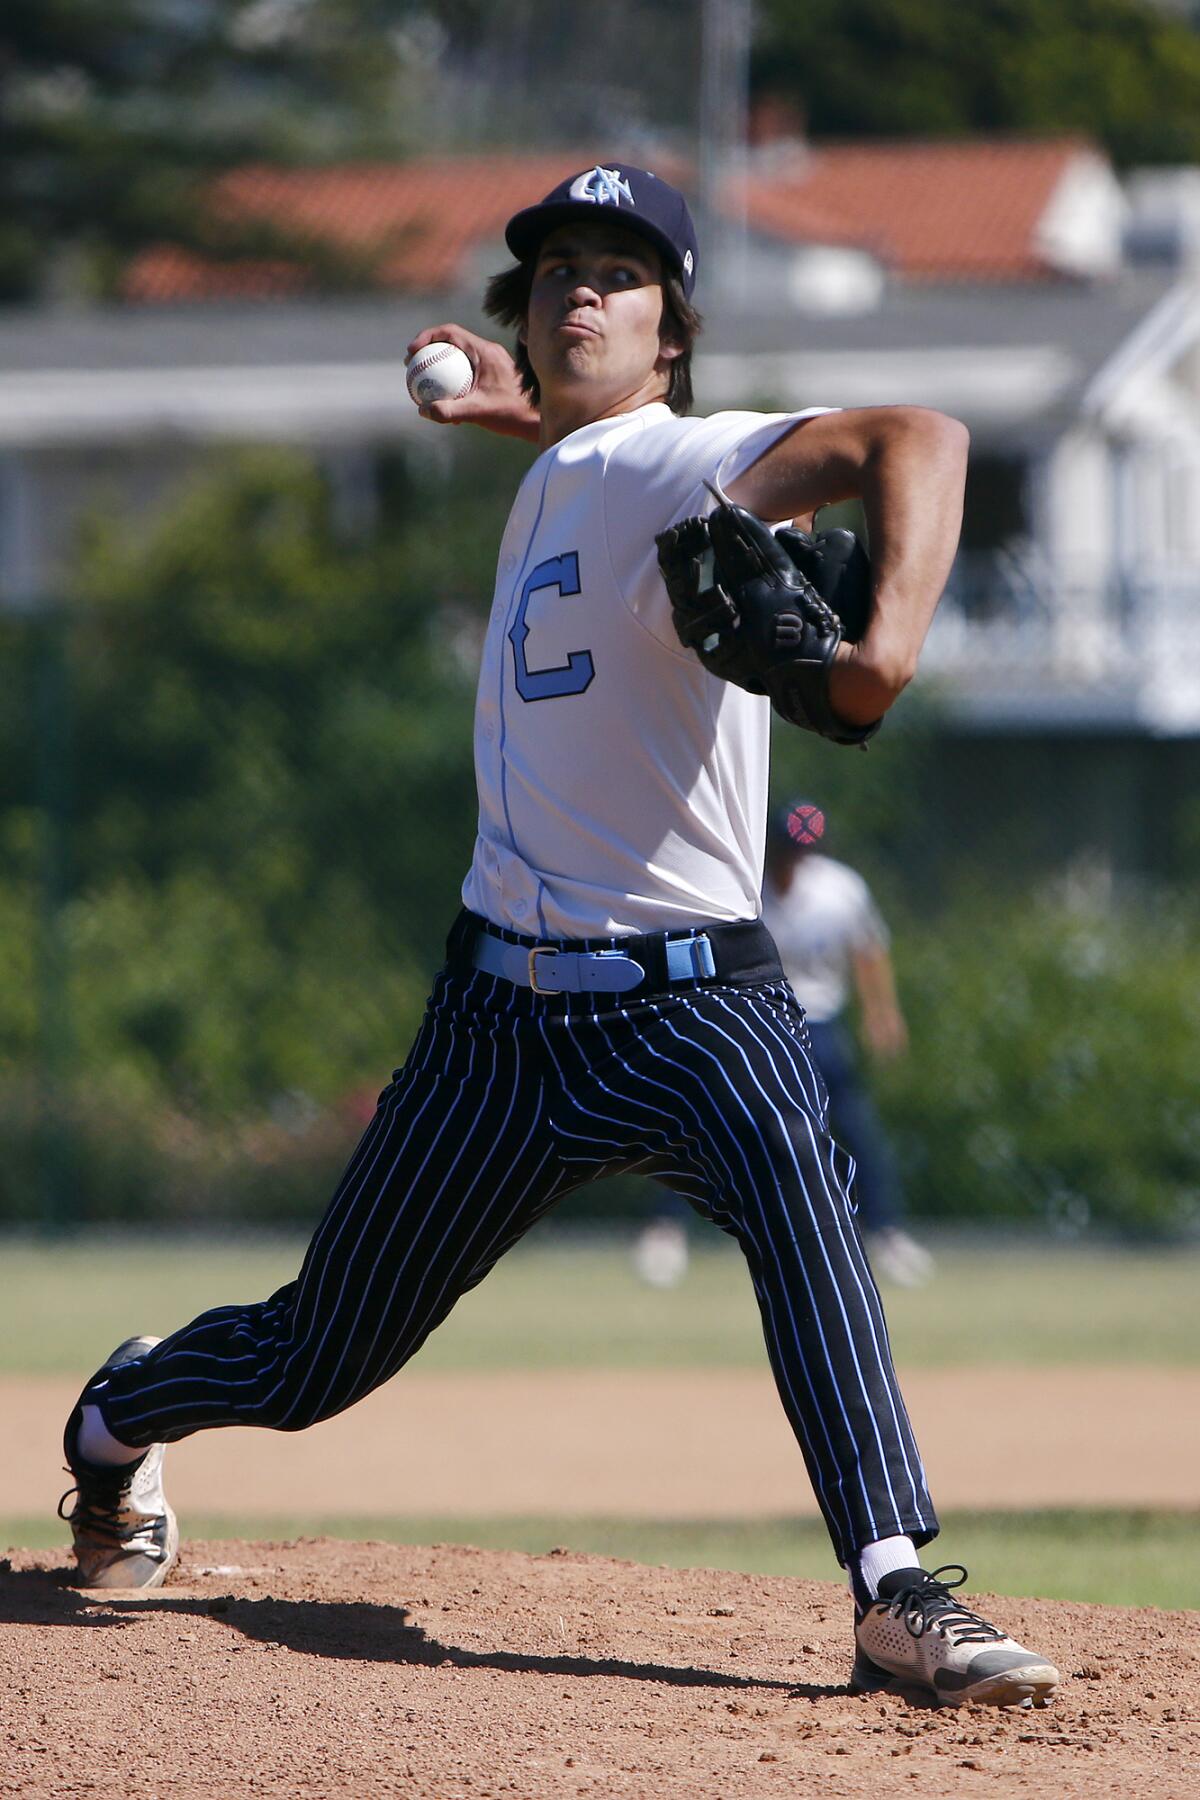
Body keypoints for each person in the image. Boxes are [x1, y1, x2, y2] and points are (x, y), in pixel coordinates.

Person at [58, 162, 1058, 1708]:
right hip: (496, 1023)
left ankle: (893, 1585)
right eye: (554, 272)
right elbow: (597, 453)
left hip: (695, 1001)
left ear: (676, 336)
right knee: (315, 1358)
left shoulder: (695, 463)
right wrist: (502, 412)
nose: (581, 287)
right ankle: (119, 1418)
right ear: (529, 323)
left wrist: (881, 660)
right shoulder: (570, 469)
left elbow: (916, 438)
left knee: (807, 1217)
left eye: (621, 270)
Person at [762, 799, 935, 1287]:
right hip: (764, 1020)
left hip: (822, 1022)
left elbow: (869, 951)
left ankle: (886, 1231)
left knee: (857, 1128)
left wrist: (883, 1013)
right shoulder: (748, 890)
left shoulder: (839, 889)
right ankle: (667, 1229)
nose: (796, 863)